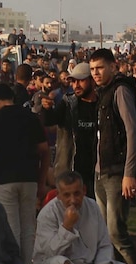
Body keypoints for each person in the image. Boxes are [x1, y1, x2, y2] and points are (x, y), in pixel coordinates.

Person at [32, 171, 136, 264]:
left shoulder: (93, 207)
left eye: (76, 194)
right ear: (58, 195)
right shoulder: (48, 214)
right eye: (66, 195)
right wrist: (66, 227)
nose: (73, 200)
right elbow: (48, 255)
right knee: (58, 263)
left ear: (84, 191)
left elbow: (104, 243)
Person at [90, 49, 136, 264]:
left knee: (115, 232)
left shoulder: (120, 90)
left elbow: (133, 132)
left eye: (100, 68)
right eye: (93, 69)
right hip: (101, 170)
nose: (96, 73)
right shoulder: (103, 92)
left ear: (114, 66)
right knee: (105, 233)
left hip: (117, 172)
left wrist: (129, 173)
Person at [0, 82, 49, 264]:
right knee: (28, 227)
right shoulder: (30, 117)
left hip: (3, 181)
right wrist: (42, 182)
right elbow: (44, 149)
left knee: (11, 228)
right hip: (29, 179)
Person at [40, 62, 98, 191]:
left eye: (81, 81)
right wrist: (47, 109)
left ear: (92, 81)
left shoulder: (103, 104)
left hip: (97, 171)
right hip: (70, 169)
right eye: (73, 81)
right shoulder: (68, 103)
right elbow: (50, 121)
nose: (76, 85)